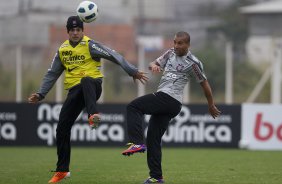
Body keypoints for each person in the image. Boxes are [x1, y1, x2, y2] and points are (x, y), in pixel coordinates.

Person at [28, 15, 148, 183]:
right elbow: (52, 73)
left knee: (86, 79)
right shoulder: (62, 50)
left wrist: (132, 71)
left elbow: (113, 55)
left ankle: (93, 115)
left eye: (78, 30)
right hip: (74, 93)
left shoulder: (90, 45)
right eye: (72, 30)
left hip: (92, 87)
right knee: (61, 128)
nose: (76, 33)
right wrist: (41, 94)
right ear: (68, 32)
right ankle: (62, 170)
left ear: (82, 31)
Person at [121, 31, 221, 184]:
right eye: (174, 42)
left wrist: (211, 104)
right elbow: (152, 64)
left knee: (133, 107)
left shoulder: (193, 63)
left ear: (188, 45)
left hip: (170, 99)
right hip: (169, 103)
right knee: (153, 139)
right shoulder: (169, 53)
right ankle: (156, 177)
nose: (176, 46)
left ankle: (136, 142)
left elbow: (205, 84)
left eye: (180, 43)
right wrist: (154, 66)